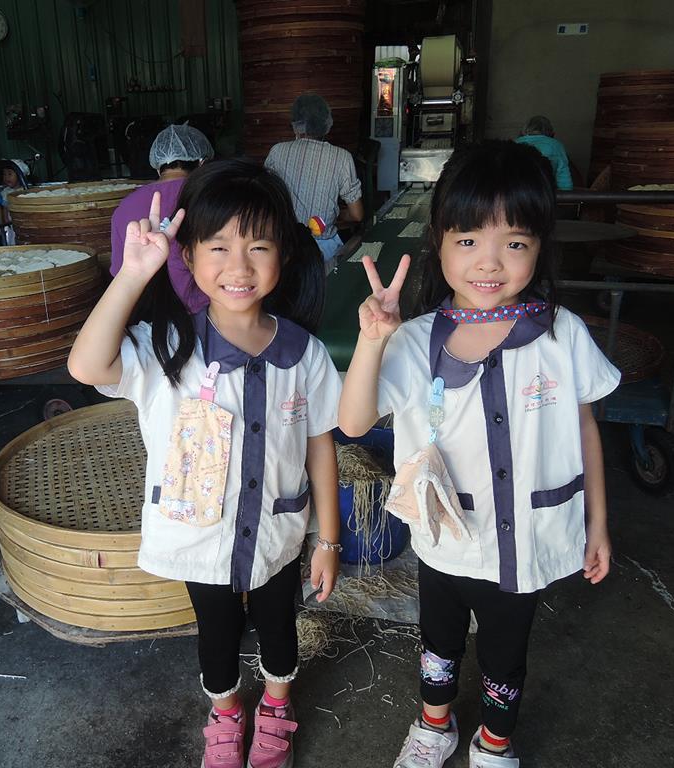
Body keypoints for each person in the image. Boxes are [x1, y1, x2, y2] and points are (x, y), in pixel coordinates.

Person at [338, 140, 618, 768]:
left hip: (526, 540)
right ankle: (434, 726)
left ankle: (494, 741)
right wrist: (372, 340)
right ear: (438, 242)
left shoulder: (562, 334)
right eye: (468, 240)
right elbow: (353, 423)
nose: (489, 262)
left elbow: (585, 430)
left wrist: (597, 523)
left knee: (505, 653)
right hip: (446, 537)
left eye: (514, 242)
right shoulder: (414, 340)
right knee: (438, 642)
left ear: (539, 247)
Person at [68, 158, 343, 768]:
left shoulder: (304, 353)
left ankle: (277, 708)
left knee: (279, 626)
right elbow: (86, 367)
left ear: (284, 255)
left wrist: (328, 539)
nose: (238, 267)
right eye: (218, 247)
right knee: (216, 633)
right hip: (202, 539)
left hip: (278, 534)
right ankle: (225, 714)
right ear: (187, 256)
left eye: (258, 246)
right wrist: (133, 274)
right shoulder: (167, 346)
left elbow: (320, 443)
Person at [110, 124, 213, 312]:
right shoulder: (213, 197)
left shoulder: (125, 206)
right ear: (202, 163)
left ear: (158, 168)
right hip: (206, 311)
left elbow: (120, 274)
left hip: (148, 316)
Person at [265, 94, 363, 264]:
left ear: (296, 124)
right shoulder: (342, 157)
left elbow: (265, 199)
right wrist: (335, 214)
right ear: (326, 124)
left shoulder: (277, 152)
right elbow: (357, 215)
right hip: (324, 252)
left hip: (283, 247)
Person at [515, 116, 573, 191]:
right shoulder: (556, 145)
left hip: (516, 191)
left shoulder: (515, 143)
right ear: (550, 131)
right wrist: (566, 193)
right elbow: (563, 176)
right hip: (544, 191)